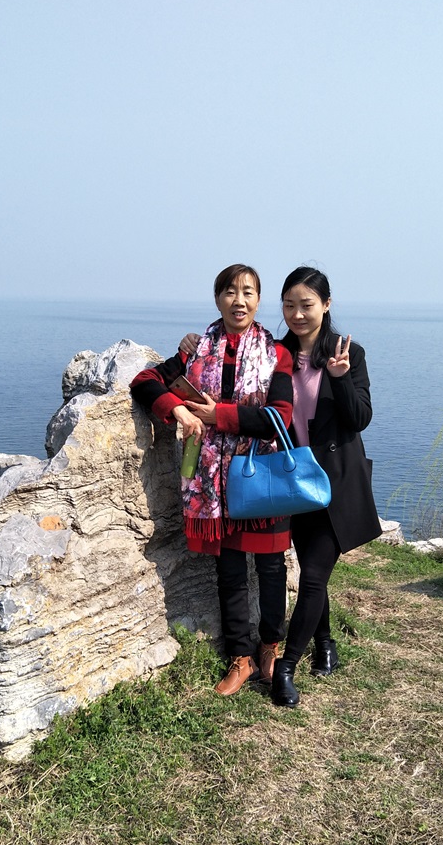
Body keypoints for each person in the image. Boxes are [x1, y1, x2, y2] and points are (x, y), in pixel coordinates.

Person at [130, 264, 294, 696]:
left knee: (272, 568)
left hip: (261, 476)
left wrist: (217, 415)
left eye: (248, 292)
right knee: (230, 570)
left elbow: (280, 416)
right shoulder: (196, 349)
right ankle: (240, 657)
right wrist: (177, 409)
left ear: (259, 300)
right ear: (218, 298)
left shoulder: (277, 353)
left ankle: (269, 649)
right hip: (216, 484)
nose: (239, 300)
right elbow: (145, 380)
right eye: (230, 292)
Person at [271, 266, 381, 707]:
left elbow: (360, 419)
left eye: (307, 305)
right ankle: (326, 644)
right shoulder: (276, 353)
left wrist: (339, 376)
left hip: (336, 482)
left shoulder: (348, 353)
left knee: (314, 576)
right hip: (296, 483)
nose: (297, 314)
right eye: (289, 305)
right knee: (312, 572)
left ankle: (285, 667)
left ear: (327, 304)